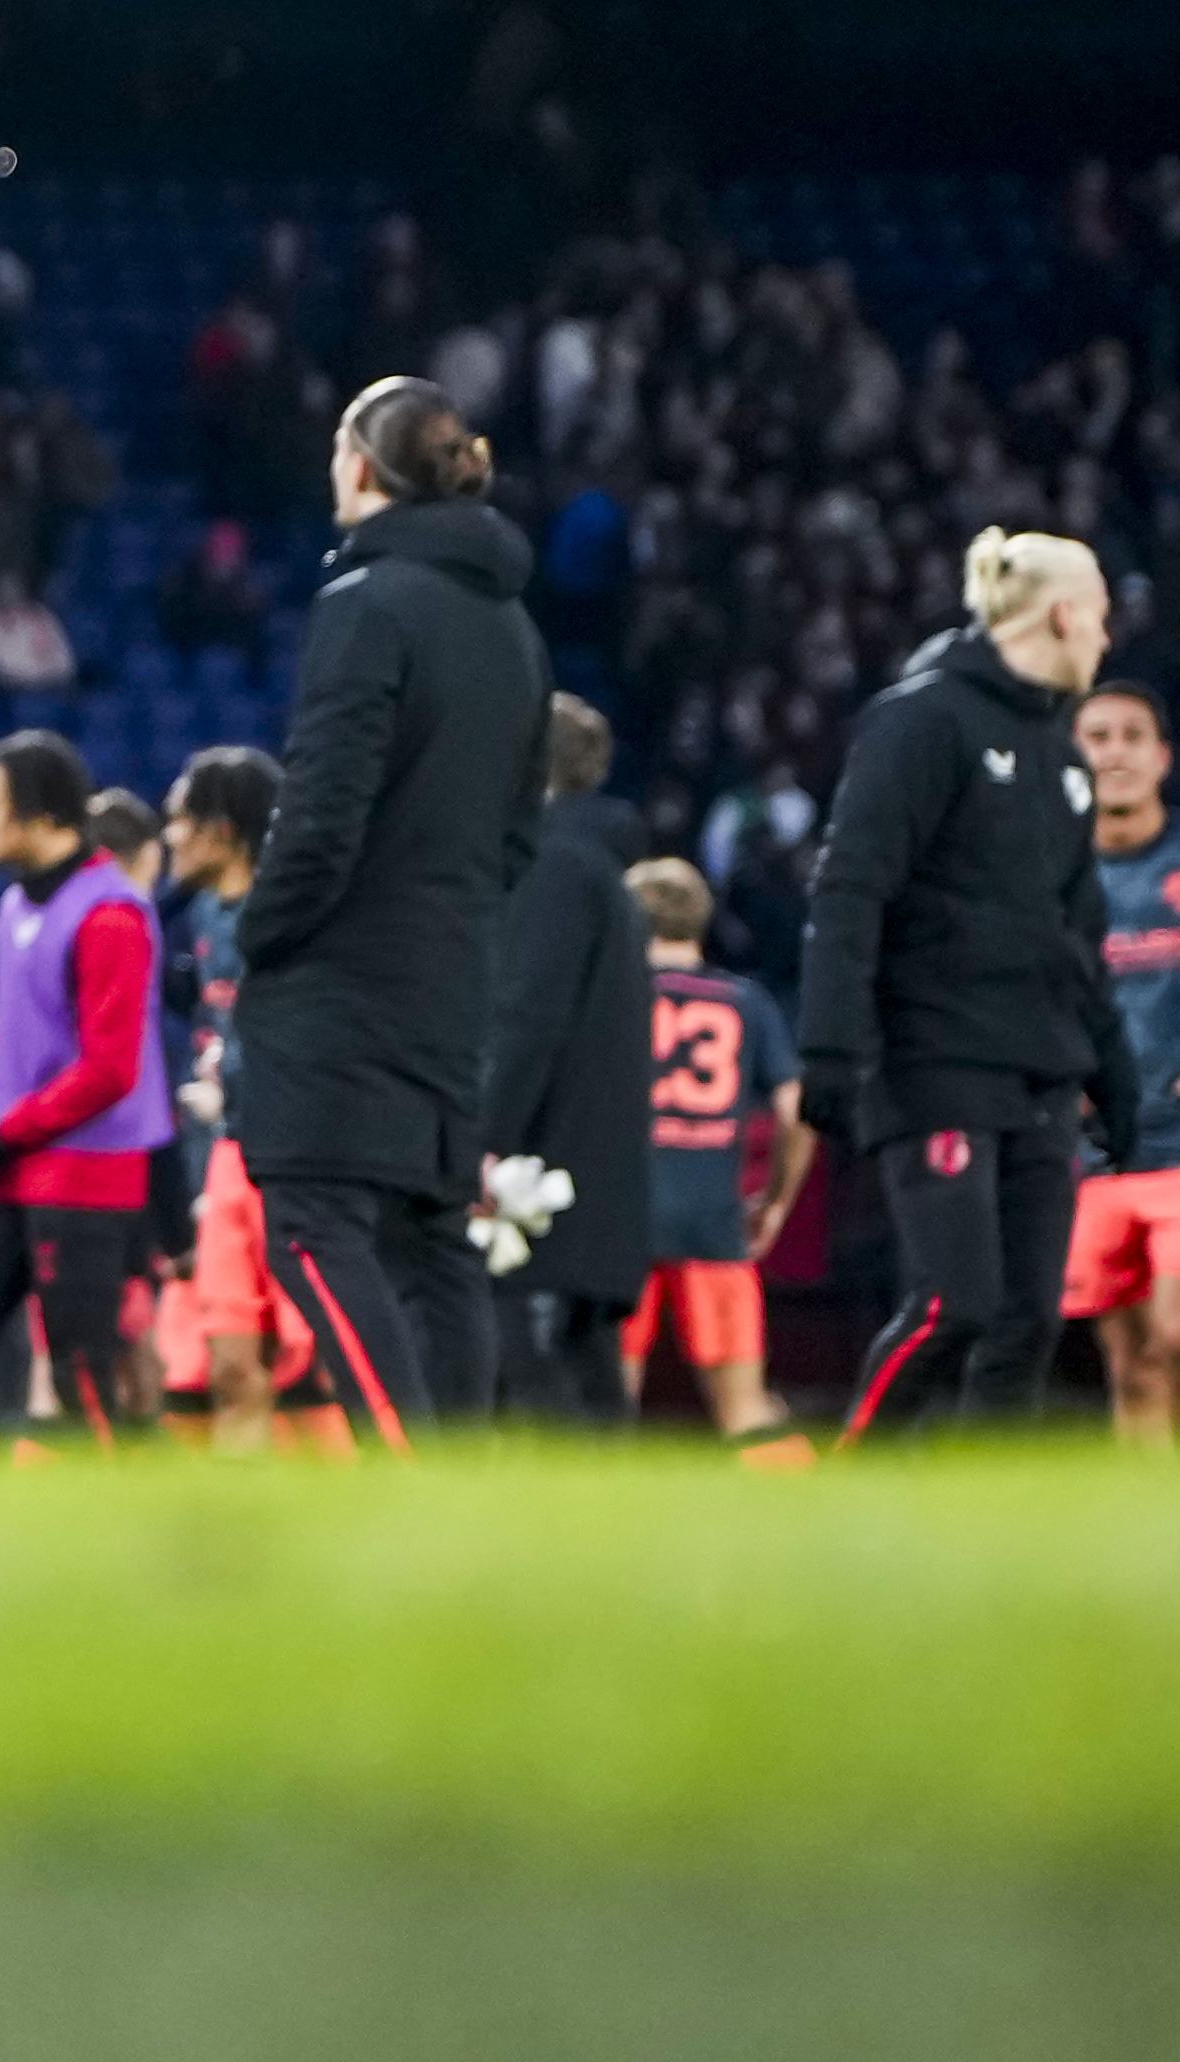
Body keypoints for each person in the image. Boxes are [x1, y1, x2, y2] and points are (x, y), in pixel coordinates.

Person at [230, 377, 544, 1449]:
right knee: (429, 1240)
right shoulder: (512, 625)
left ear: (358, 467)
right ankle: (458, 1494)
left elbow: (318, 812)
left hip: (340, 985)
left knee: (312, 1227)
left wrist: (260, 933)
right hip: (453, 974)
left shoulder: (363, 603)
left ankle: (401, 1477)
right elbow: (515, 834)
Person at [802, 529, 1133, 1443]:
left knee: (1028, 1317)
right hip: (936, 1055)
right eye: (1101, 613)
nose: (1107, 635)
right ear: (1064, 614)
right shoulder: (922, 722)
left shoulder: (1064, 762)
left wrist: (1112, 1073)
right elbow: (850, 885)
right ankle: (851, 1483)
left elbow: (1079, 936)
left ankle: (989, 1521)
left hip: (1040, 1071)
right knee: (957, 1304)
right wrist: (831, 1042)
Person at [0, 732, 165, 1451]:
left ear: (37, 813)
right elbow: (11, 1027)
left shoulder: (112, 913)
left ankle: (112, 1532)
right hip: (12, 1171)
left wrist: (8, 1129)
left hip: (85, 1174)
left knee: (80, 1377)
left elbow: (110, 1069)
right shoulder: (14, 906)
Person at [476, 693, 658, 1419]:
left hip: (541, 1180)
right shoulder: (603, 874)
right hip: (598, 1171)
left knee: (534, 1374)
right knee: (589, 1375)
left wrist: (483, 1141)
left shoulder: (549, 866)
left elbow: (527, 1016)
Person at [157, 749, 324, 1457]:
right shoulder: (198, 915)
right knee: (229, 1367)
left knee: (313, 1375)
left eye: (178, 820)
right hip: (227, 1157)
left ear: (220, 831)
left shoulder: (299, 919)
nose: (169, 837)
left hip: (297, 1162)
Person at [622, 856, 815, 1464]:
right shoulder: (746, 1001)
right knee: (744, 1409)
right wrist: (777, 1201)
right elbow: (796, 1111)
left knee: (607, 1409)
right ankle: (800, 1528)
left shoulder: (610, 994)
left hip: (619, 1225)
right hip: (714, 1222)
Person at [1073, 676, 1180, 1451]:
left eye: (1131, 736)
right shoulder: (1049, 877)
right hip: (1095, 1150)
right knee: (1131, 1362)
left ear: (1162, 757)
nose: (1115, 753)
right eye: (1097, 735)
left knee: (1174, 1334)